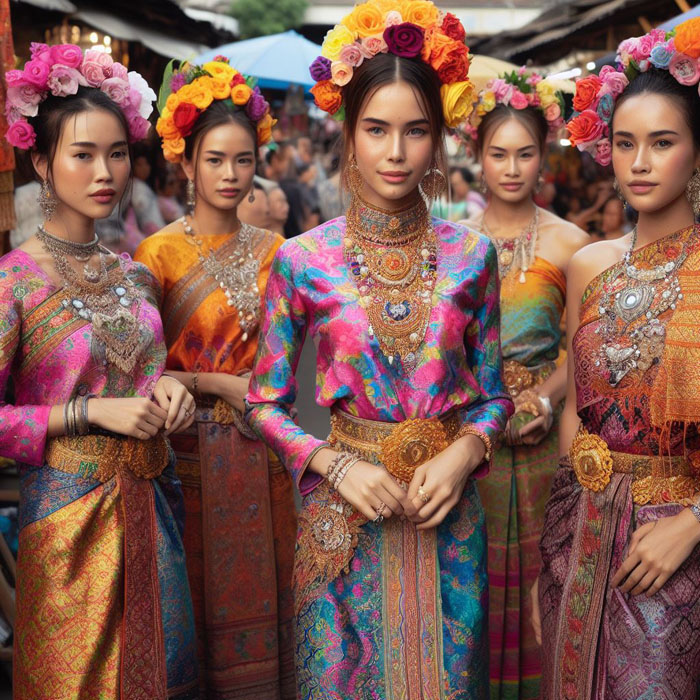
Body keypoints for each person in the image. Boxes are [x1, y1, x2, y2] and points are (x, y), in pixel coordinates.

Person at [245, 2, 513, 697]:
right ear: (349, 133)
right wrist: (333, 467)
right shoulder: (304, 260)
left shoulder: (473, 255)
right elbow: (265, 403)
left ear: (439, 140)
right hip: (344, 519)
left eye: (416, 131)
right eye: (377, 129)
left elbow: (493, 396)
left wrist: (465, 453)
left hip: (448, 521)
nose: (396, 152)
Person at [0, 43, 198, 697]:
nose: (104, 171)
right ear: (41, 163)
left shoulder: (137, 276)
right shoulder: (14, 284)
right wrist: (85, 411)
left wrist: (170, 389)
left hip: (153, 511)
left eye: (116, 153)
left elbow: (149, 374)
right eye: (82, 154)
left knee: (162, 676)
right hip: (67, 527)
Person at [534, 23, 700, 698]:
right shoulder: (588, 267)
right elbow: (577, 408)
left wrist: (691, 524)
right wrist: (566, 538)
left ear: (696, 151)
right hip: (579, 536)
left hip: (673, 548)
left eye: (662, 143)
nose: (639, 163)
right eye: (626, 143)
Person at [134, 57, 296, 699]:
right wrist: (215, 385)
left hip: (266, 457)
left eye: (243, 160)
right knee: (191, 606)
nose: (230, 175)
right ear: (186, 163)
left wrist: (248, 390)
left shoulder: (278, 250)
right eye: (215, 160)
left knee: (267, 601)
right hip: (185, 455)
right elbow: (144, 370)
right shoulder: (156, 255)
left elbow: (290, 366)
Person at [460, 68, 589, 700]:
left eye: (526, 153)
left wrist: (547, 396)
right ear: (476, 156)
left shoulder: (572, 244)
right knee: (471, 587)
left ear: (545, 155)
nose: (512, 168)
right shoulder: (450, 246)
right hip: (466, 445)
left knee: (546, 579)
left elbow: (585, 349)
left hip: (546, 442)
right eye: (498, 153)